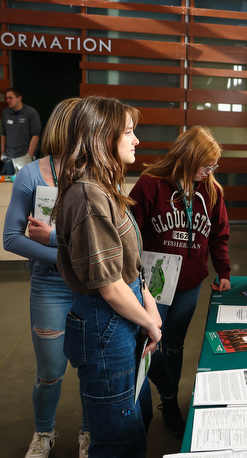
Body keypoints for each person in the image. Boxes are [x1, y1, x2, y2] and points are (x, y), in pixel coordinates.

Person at [54, 96, 162, 458]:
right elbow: (110, 286)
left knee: (136, 417)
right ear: (102, 138)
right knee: (119, 438)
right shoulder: (87, 196)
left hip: (123, 315)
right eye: (129, 132)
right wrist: (151, 323)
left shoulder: (103, 188)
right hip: (107, 324)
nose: (136, 141)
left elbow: (128, 266)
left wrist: (147, 301)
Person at [128, 126, 231, 438]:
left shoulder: (211, 190)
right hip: (153, 283)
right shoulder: (150, 185)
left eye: (213, 166)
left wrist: (223, 272)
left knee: (173, 344)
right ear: (187, 157)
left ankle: (170, 403)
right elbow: (129, 233)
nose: (209, 171)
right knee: (148, 343)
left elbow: (219, 235)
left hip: (189, 284)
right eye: (205, 165)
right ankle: (149, 404)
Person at [2, 98, 89, 458]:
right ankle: (43, 433)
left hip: (92, 286)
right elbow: (12, 238)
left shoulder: (96, 173)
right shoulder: (31, 175)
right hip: (51, 287)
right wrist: (65, 257)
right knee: (51, 371)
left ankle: (90, 431)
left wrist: (69, 253)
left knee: (92, 369)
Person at [1, 87, 42, 173]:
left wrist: (29, 156)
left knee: (23, 182)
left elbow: (35, 136)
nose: (7, 100)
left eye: (10, 98)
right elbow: (3, 134)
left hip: (24, 154)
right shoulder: (5, 112)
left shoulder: (31, 112)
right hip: (9, 156)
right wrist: (2, 153)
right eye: (6, 98)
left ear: (19, 98)